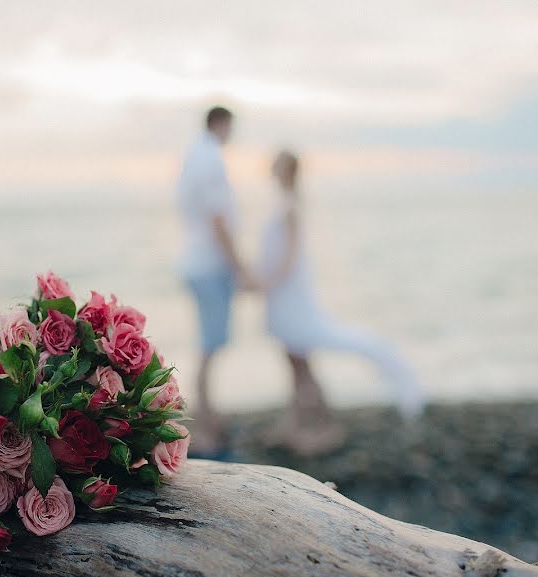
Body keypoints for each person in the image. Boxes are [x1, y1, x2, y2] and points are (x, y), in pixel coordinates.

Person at [259, 150, 424, 454]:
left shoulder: (291, 205)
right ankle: (296, 425)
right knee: (295, 361)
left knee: (300, 361)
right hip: (283, 293)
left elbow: (290, 255)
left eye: (277, 163)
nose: (270, 166)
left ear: (286, 170)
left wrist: (266, 283)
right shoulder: (284, 202)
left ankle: (324, 427)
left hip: (289, 294)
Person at [177, 106, 256, 454]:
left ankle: (210, 417)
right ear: (221, 124)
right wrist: (239, 266)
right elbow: (218, 219)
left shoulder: (195, 155)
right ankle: (205, 428)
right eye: (230, 127)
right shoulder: (209, 158)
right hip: (209, 264)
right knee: (210, 346)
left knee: (210, 344)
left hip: (198, 260)